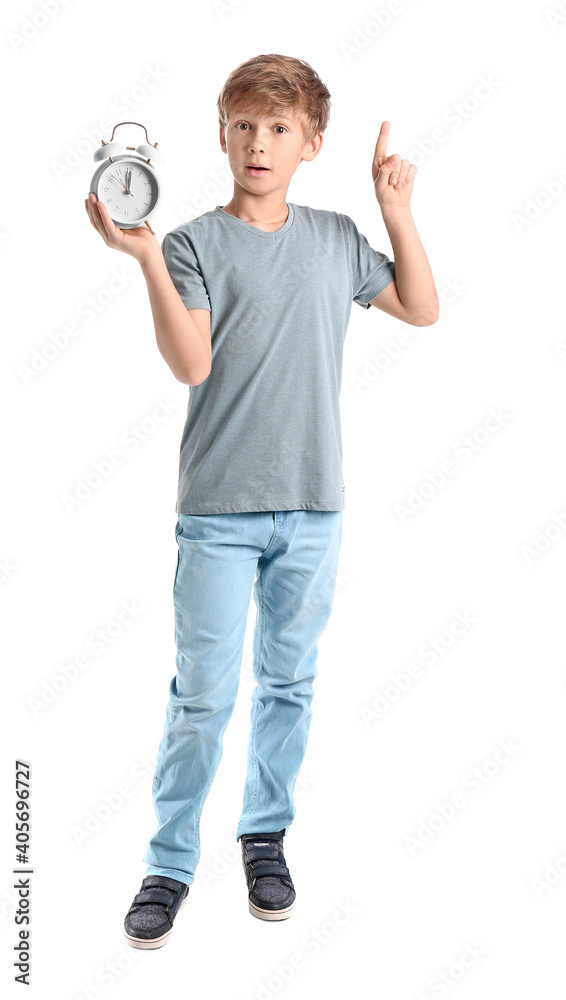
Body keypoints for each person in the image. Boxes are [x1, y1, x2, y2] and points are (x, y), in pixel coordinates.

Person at [85, 52, 438, 949]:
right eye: (243, 124)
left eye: (279, 128)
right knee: (202, 695)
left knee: (289, 684)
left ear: (312, 143)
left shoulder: (331, 238)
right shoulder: (192, 244)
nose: (258, 142)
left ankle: (264, 836)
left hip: (313, 509)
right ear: (220, 134)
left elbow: (422, 307)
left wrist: (396, 208)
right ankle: (169, 863)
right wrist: (144, 261)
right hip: (218, 512)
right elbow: (192, 365)